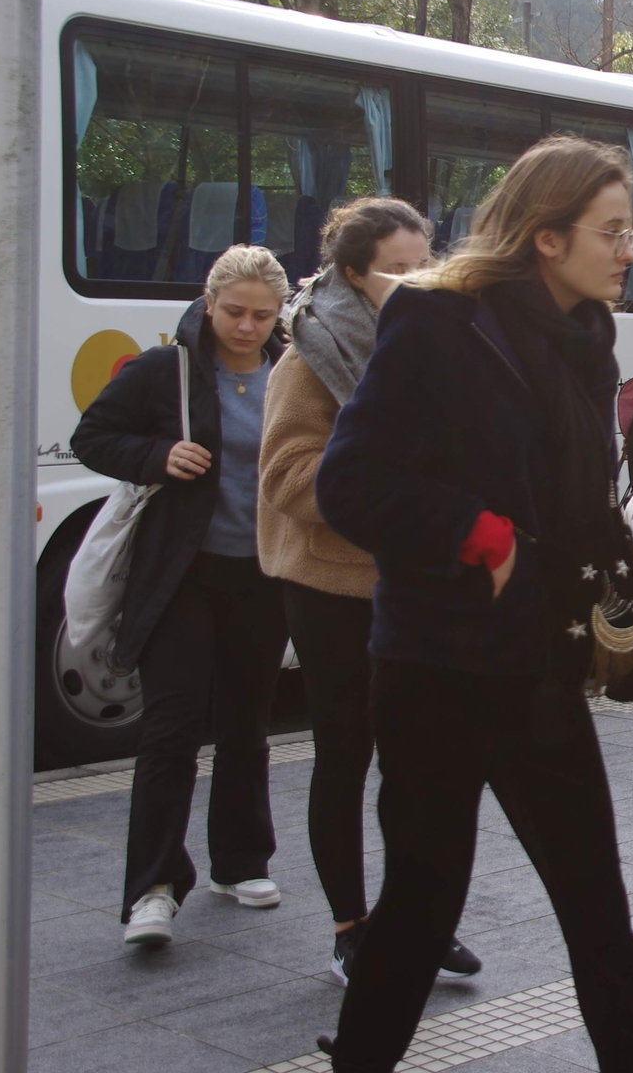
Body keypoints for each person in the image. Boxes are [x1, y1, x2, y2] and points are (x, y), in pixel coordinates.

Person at [313, 136, 633, 1073]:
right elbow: (350, 484)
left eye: (627, 228)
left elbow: (574, 492)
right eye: (611, 230)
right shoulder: (439, 320)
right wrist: (481, 533)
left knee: (595, 907)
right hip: (436, 666)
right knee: (423, 902)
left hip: (539, 668)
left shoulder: (590, 333)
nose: (627, 246)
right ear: (548, 237)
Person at [257, 197, 482, 987]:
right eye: (401, 267)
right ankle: (352, 928)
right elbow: (286, 476)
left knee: (419, 762)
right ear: (353, 273)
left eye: (429, 263)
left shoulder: (434, 347)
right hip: (333, 582)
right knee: (345, 753)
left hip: (414, 580)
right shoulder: (309, 355)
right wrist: (394, 495)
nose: (421, 280)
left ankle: (414, 923)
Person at [71, 244, 294, 946]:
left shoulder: (292, 373)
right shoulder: (165, 370)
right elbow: (92, 436)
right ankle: (153, 887)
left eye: (262, 315)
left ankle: (240, 861)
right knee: (170, 732)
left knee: (246, 726)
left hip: (261, 573)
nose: (247, 327)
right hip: (180, 575)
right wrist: (157, 456)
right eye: (234, 312)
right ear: (208, 301)